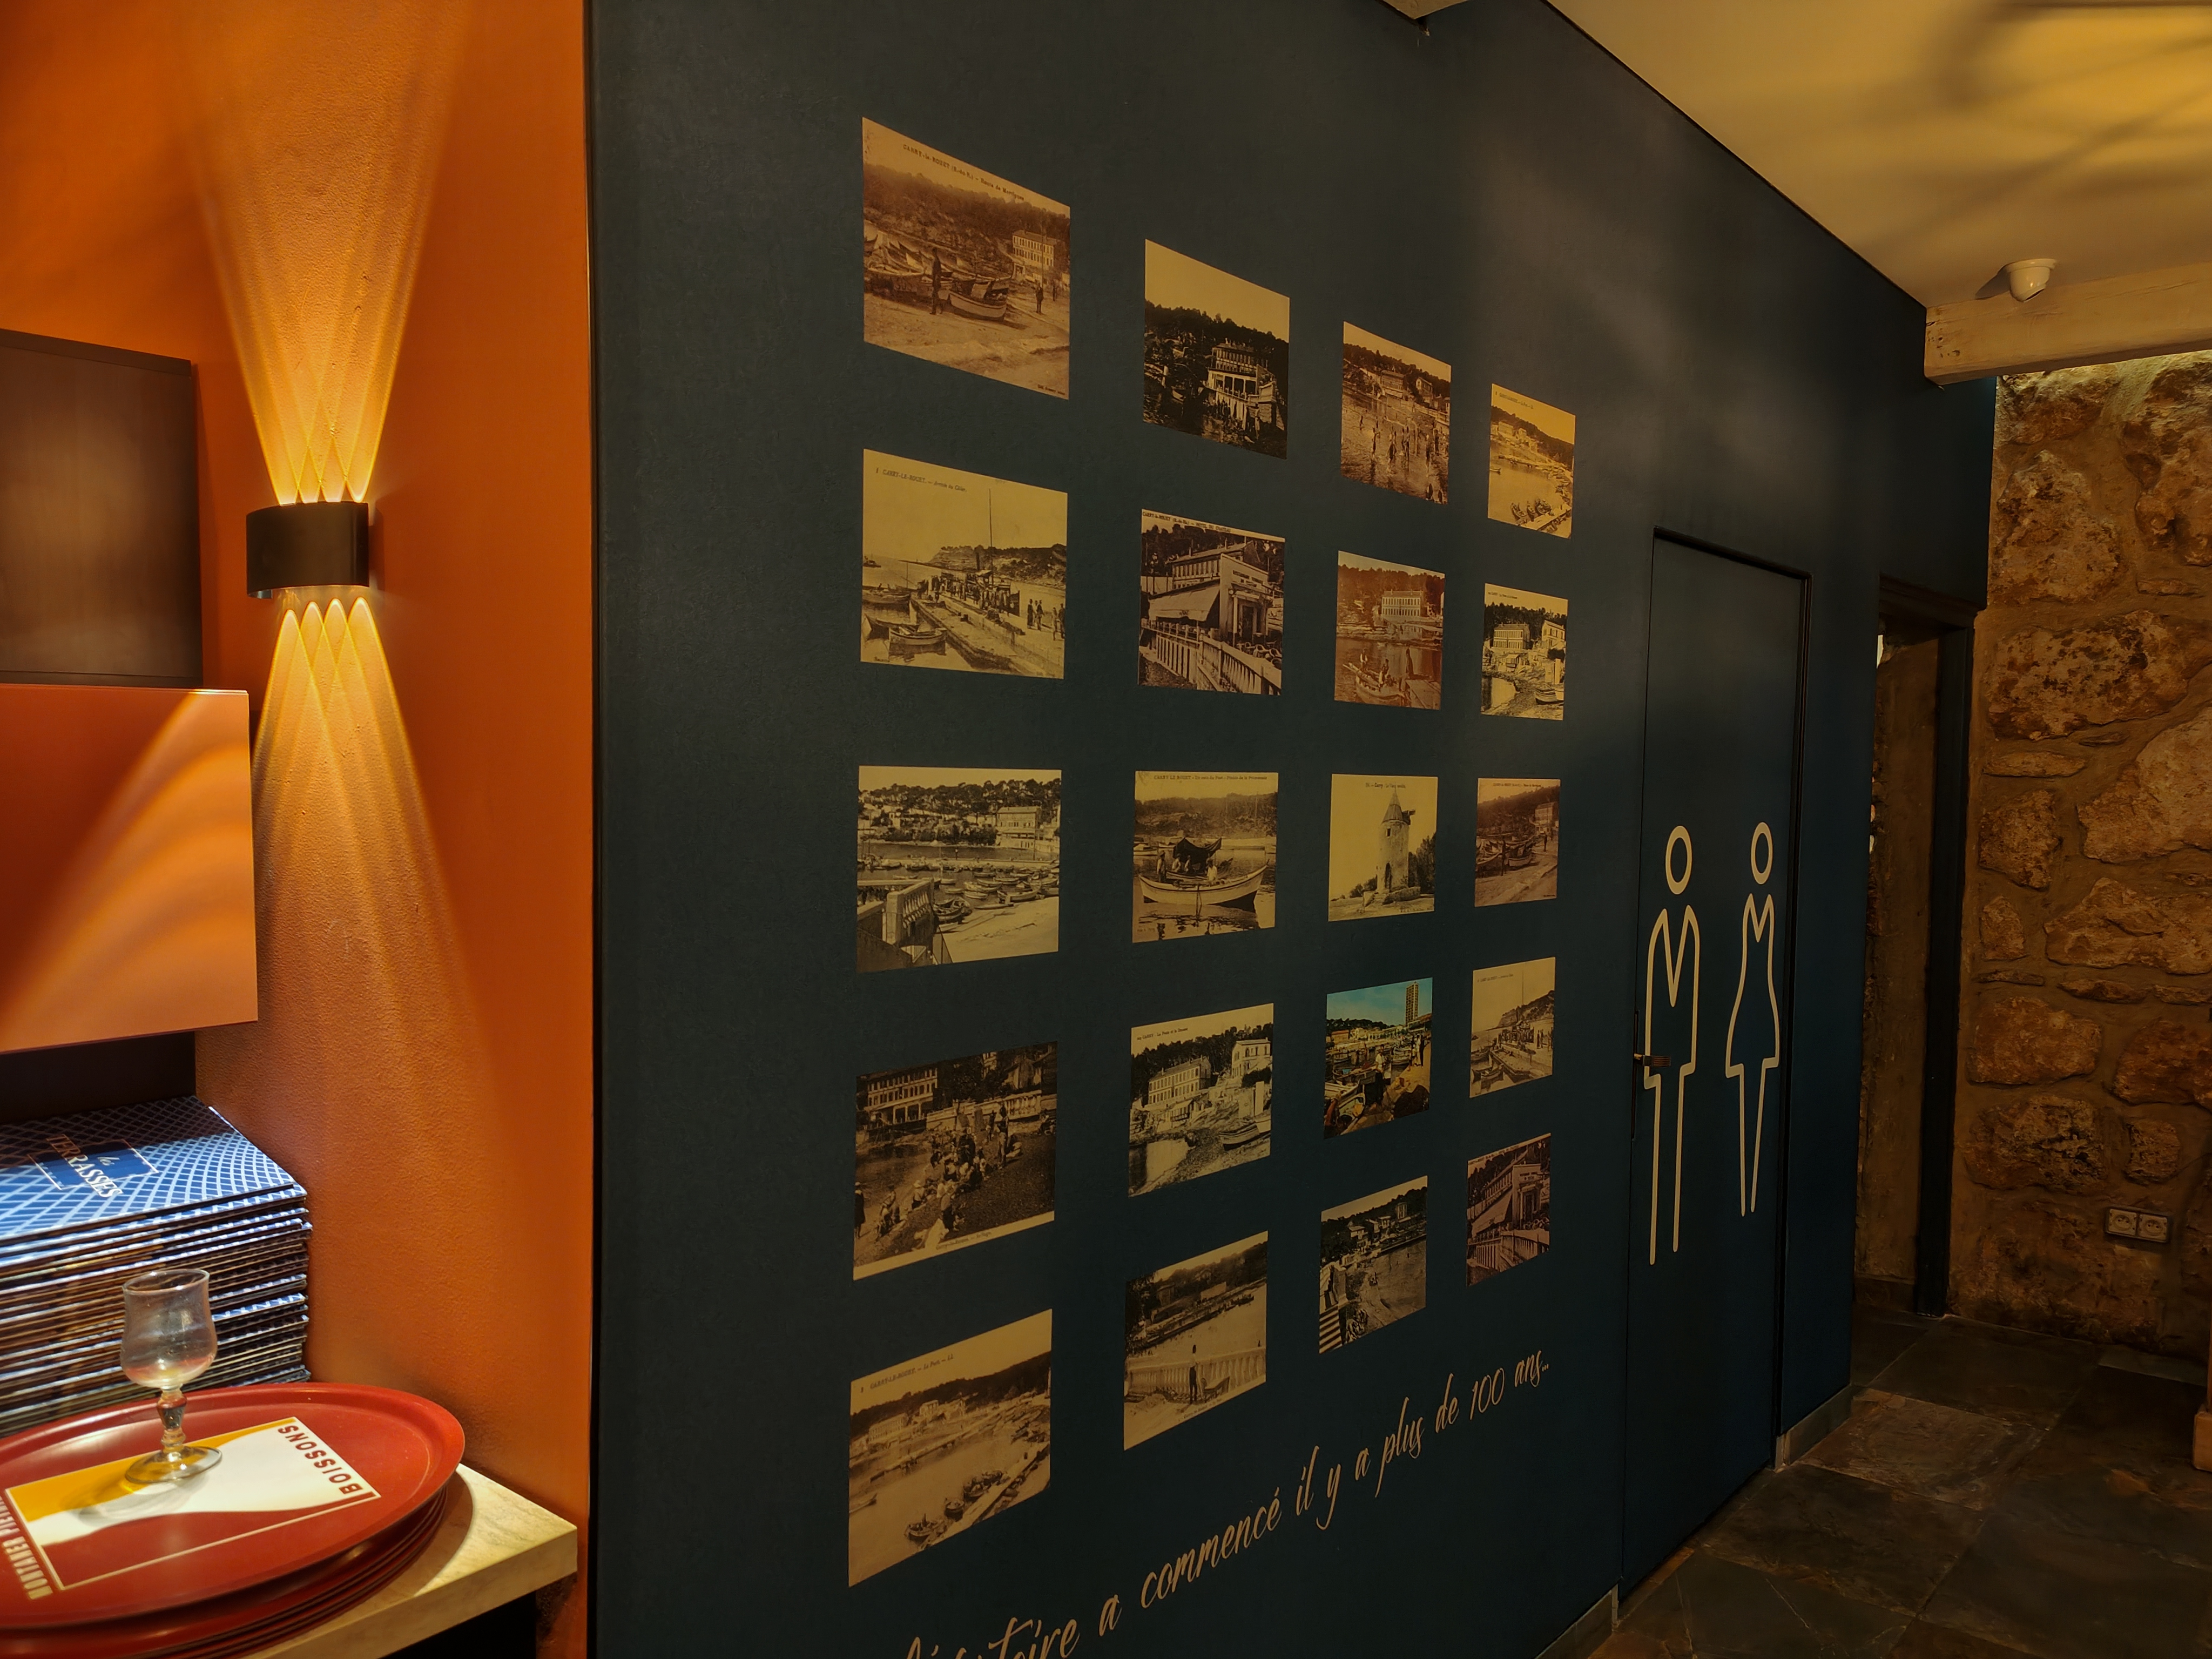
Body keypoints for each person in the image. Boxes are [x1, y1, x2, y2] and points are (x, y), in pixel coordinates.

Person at [929, 248, 943, 315]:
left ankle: (934, 310)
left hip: (936, 280)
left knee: (934, 295)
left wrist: (934, 280)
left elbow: (935, 272)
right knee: (936, 295)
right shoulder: (937, 260)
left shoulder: (936, 260)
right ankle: (939, 308)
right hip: (936, 279)